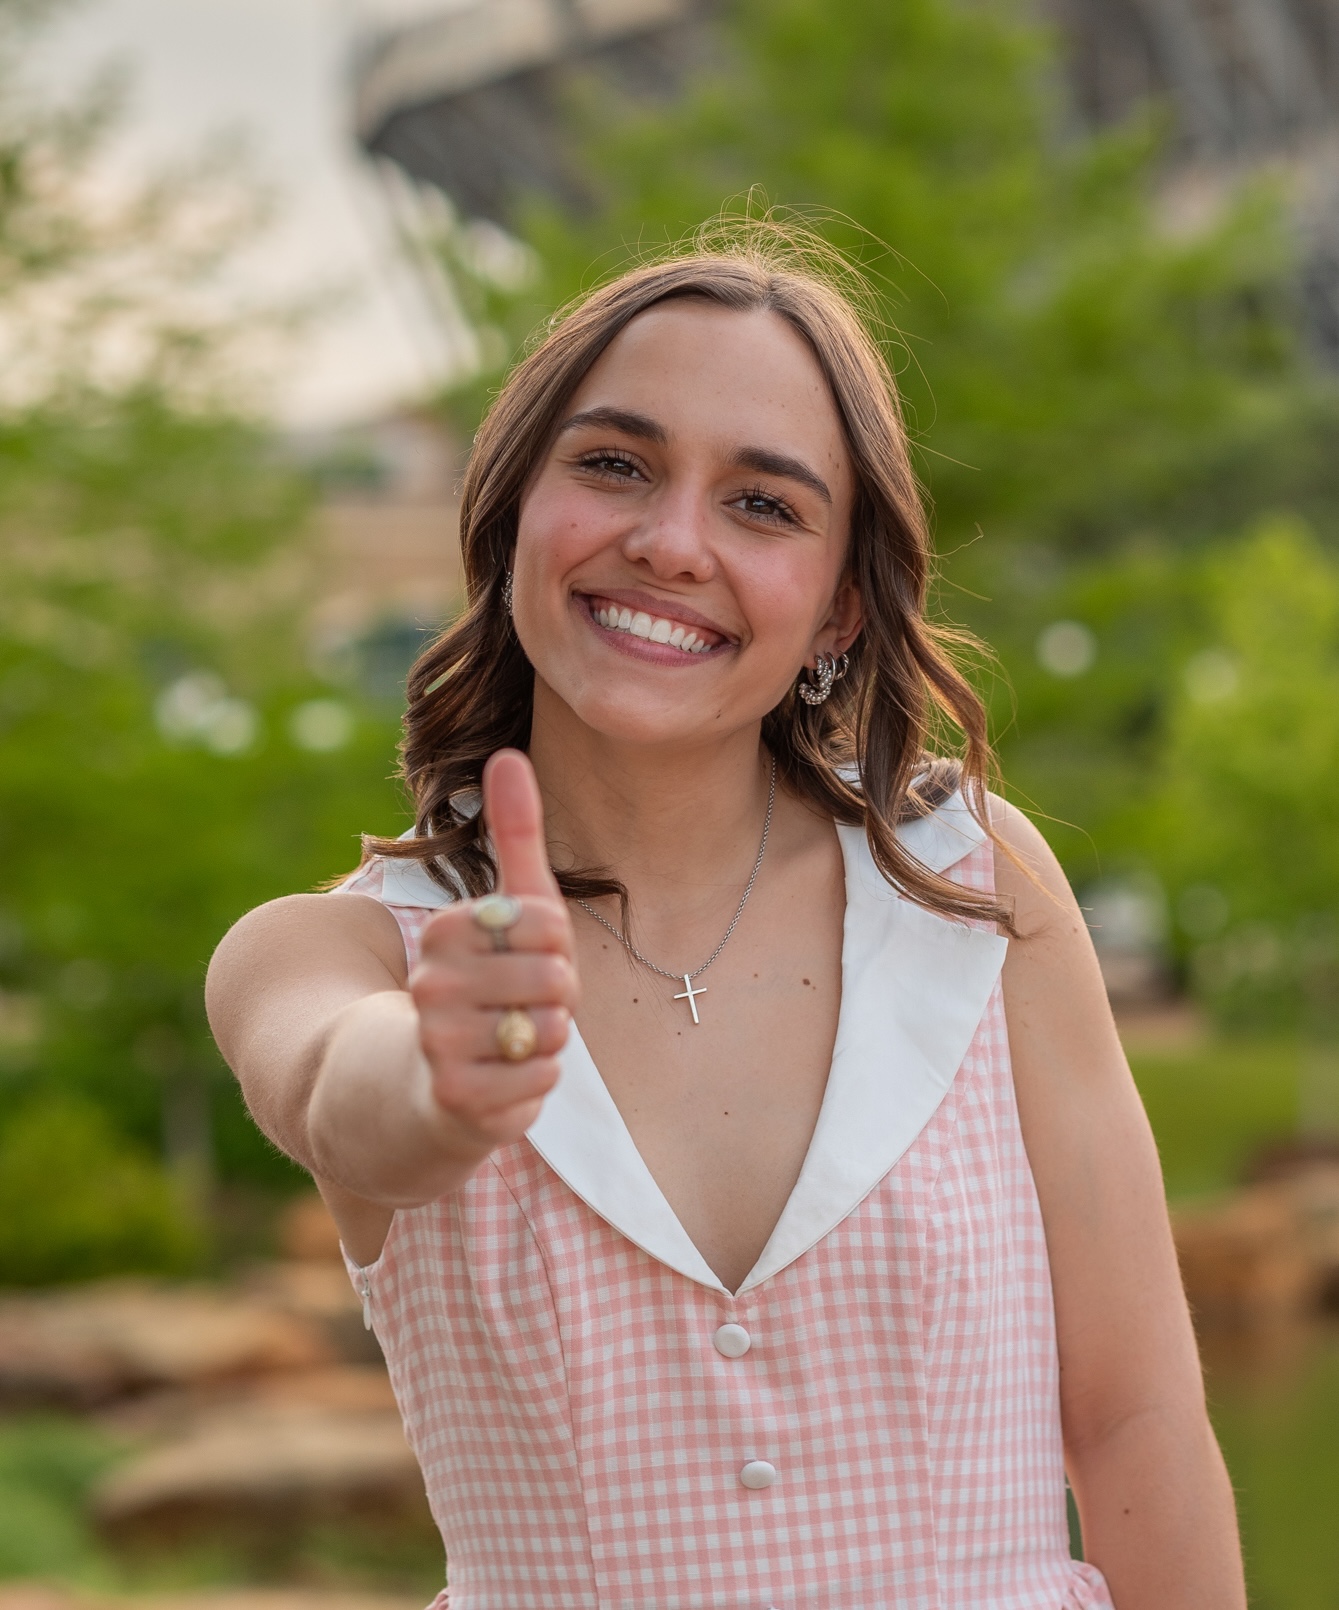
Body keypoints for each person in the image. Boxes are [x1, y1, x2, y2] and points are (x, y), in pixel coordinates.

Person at [206, 225, 1246, 1609]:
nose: (669, 541)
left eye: (763, 504)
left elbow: (1137, 1425)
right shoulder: (338, 950)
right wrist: (439, 1074)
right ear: (514, 508)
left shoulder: (978, 887)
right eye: (616, 463)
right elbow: (336, 1088)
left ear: (834, 612)